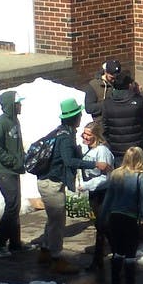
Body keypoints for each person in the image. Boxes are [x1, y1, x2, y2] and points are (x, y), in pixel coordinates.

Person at [35, 98, 111, 274]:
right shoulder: (66, 138)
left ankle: (46, 252)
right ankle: (56, 258)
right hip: (51, 185)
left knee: (53, 220)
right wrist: (95, 165)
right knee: (57, 222)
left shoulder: (61, 132)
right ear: (74, 117)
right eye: (79, 114)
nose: (80, 116)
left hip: (48, 182)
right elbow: (69, 161)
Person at [99, 146, 143, 284]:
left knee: (118, 252)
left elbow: (108, 198)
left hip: (114, 217)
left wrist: (102, 218)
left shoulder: (115, 174)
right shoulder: (141, 176)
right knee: (130, 254)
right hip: (130, 218)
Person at [0, 90, 29, 256]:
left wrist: (24, 158)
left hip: (14, 169)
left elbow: (17, 146)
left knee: (15, 205)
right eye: (18, 103)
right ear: (11, 105)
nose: (21, 105)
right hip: (3, 170)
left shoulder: (15, 121)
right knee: (12, 205)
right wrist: (14, 161)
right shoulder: (1, 123)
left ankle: (15, 243)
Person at [79, 120, 114, 272]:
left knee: (103, 226)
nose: (85, 137)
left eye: (88, 134)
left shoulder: (102, 151)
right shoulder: (86, 149)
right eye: (84, 133)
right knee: (100, 226)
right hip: (93, 193)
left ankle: (103, 259)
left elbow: (106, 178)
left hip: (103, 193)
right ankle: (102, 258)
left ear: (97, 136)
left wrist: (86, 185)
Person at [102, 71, 143, 166]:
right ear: (129, 85)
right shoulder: (138, 101)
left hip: (117, 151)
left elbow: (105, 126)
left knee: (120, 177)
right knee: (138, 177)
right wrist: (138, 93)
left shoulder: (106, 103)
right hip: (137, 149)